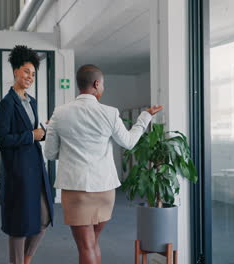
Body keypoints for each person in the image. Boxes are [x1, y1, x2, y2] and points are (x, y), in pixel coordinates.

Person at [44, 64, 162, 264]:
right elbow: (129, 142)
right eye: (103, 84)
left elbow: (50, 153)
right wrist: (145, 116)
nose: (103, 88)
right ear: (96, 84)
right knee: (93, 242)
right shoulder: (109, 112)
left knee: (86, 245)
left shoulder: (60, 113)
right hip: (105, 190)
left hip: (76, 189)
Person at [0, 45, 53, 264]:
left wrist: (43, 132)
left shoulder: (32, 101)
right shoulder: (7, 104)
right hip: (18, 170)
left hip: (35, 167)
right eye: (26, 71)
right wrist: (31, 135)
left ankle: (26, 259)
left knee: (45, 217)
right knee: (19, 224)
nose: (30, 77)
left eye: (33, 73)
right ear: (16, 71)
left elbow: (33, 132)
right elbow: (1, 139)